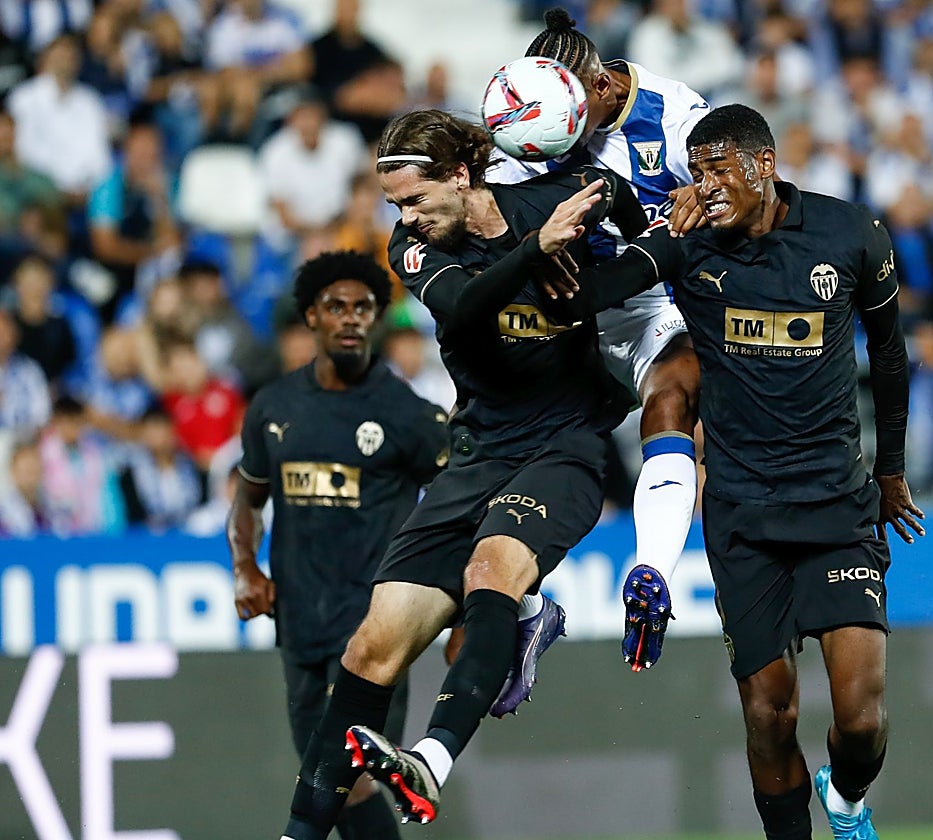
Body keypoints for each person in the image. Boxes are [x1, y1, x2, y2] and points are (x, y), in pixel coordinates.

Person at [529, 104, 925, 840]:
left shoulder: (850, 234)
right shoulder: (687, 245)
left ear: (764, 164)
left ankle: (845, 801)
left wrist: (893, 471)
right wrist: (653, 235)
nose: (704, 185)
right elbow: (586, 300)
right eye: (696, 170)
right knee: (770, 714)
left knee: (861, 720)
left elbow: (891, 356)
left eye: (717, 169)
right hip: (742, 515)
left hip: (838, 504)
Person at [277, 109, 644, 838]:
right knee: (369, 649)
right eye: (395, 206)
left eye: (416, 200)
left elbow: (608, 188)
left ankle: (432, 757)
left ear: (463, 174)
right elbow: (466, 302)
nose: (405, 219)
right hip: (476, 453)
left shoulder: (542, 200)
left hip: (564, 448)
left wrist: (632, 234)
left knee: (490, 571)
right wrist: (538, 251)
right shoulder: (413, 251)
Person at [491, 8, 711, 670]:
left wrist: (708, 193)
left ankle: (652, 573)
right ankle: (528, 615)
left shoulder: (674, 113)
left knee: (673, 395)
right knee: (489, 445)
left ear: (600, 88)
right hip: (566, 313)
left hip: (654, 304)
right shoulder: (531, 124)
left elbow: (740, 189)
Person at [230, 249, 450, 840]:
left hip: (375, 632)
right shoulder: (274, 408)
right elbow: (246, 500)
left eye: (363, 307)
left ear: (377, 318)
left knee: (348, 778)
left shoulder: (407, 415)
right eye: (336, 307)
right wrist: (246, 567)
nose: (350, 318)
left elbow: (466, 505)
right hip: (299, 622)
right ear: (311, 317)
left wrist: (465, 616)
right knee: (327, 784)